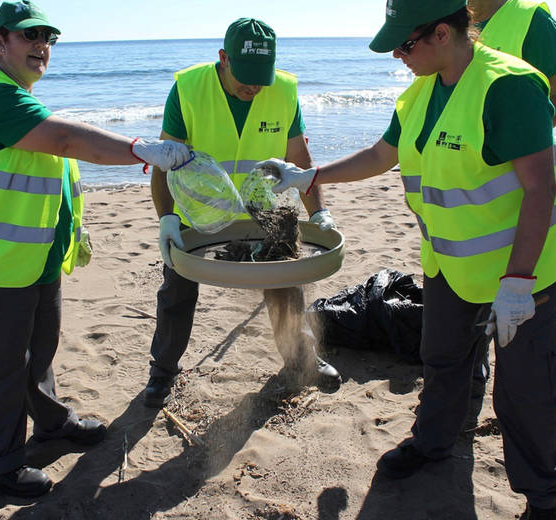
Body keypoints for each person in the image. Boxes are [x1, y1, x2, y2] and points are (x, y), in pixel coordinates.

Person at [257, 1, 556, 518]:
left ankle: (544, 496)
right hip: (446, 267)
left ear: (442, 33)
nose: (397, 55)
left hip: (523, 275)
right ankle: (433, 443)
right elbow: (380, 155)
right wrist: (311, 177)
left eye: (404, 44)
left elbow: (541, 187)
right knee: (442, 361)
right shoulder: (419, 93)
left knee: (524, 394)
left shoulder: (509, 86)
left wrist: (519, 282)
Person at [0, 0, 190, 499]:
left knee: (38, 353)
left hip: (31, 261)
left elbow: (51, 165)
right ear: (0, 43)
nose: (41, 45)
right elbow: (67, 140)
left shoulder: (20, 96)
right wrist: (141, 149)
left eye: (47, 37)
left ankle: (51, 425)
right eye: (28, 36)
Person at [144, 17, 341, 408]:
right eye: (245, 76)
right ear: (224, 59)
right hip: (196, 216)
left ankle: (302, 360)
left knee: (285, 284)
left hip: (263, 213)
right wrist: (166, 217)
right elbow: (163, 162)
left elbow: (300, 160)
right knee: (176, 293)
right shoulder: (188, 89)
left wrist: (319, 214)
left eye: (260, 78)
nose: (253, 87)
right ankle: (163, 372)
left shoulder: (283, 90)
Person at [467, 0, 556, 403]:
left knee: (523, 357)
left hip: (525, 205)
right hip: (473, 220)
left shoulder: (530, 21)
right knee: (467, 336)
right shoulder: (457, 22)